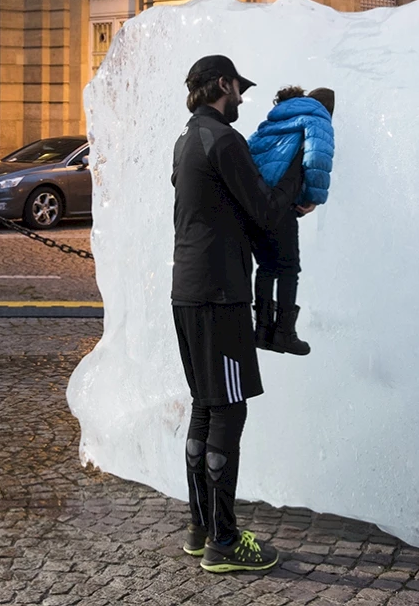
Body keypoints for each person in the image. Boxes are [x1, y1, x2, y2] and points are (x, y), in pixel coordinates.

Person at [171, 54, 306, 573]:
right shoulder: (224, 141)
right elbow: (265, 210)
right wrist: (296, 185)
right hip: (220, 295)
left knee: (205, 406)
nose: (243, 99)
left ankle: (199, 528)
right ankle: (225, 542)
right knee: (229, 410)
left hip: (188, 291)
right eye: (238, 89)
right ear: (222, 84)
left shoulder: (188, 139)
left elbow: (219, 212)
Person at [247, 85, 336, 357]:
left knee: (266, 266)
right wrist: (313, 198)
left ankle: (262, 330)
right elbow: (317, 158)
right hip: (282, 205)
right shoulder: (317, 118)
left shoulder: (273, 120)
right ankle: (285, 333)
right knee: (289, 268)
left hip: (257, 202)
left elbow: (249, 151)